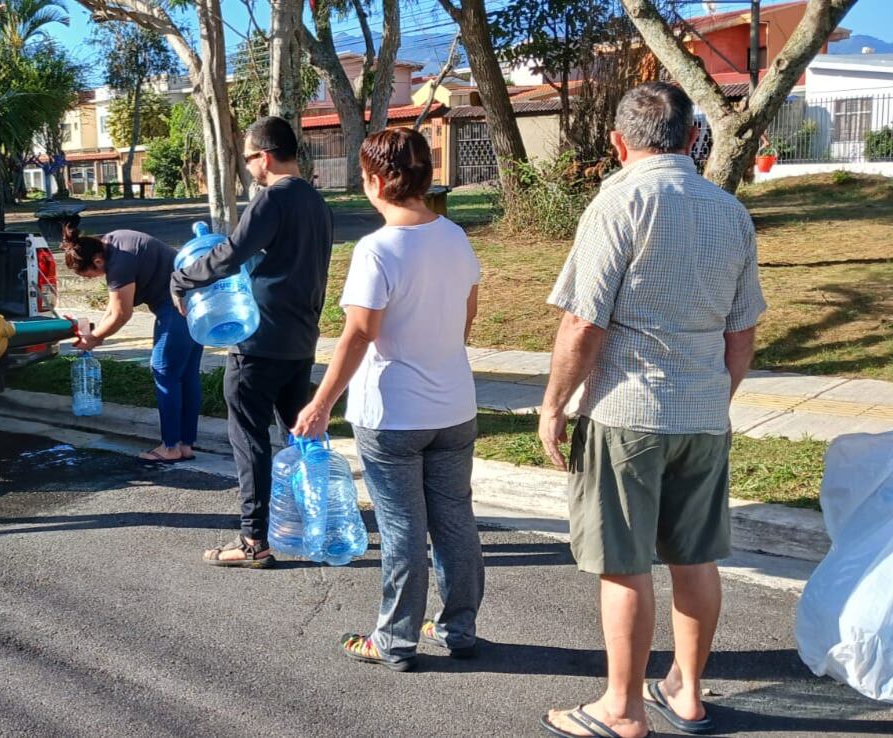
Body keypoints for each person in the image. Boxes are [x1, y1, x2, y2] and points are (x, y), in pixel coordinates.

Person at [537, 82, 765, 738]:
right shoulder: (730, 212)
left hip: (626, 410)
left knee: (624, 562)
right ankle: (687, 693)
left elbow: (583, 324)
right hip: (703, 413)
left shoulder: (618, 203)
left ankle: (622, 708)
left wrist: (553, 405)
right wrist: (716, 396)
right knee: (695, 558)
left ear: (618, 142)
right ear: (694, 138)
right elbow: (742, 330)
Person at [290, 128, 484, 672]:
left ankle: (394, 640)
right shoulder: (456, 237)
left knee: (403, 530)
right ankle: (458, 628)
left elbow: (359, 334)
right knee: (455, 520)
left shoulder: (376, 249)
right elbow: (466, 317)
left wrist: (320, 404)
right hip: (455, 406)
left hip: (393, 414)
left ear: (375, 180)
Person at [171, 116, 334, 568]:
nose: (247, 168)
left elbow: (228, 255)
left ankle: (253, 541)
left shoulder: (272, 199)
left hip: (258, 342)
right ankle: (314, 524)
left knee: (249, 440)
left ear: (264, 155)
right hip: (300, 340)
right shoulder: (318, 203)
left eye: (247, 159)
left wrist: (182, 278)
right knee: (301, 439)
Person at [65, 226, 202, 462]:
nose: (91, 279)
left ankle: (170, 447)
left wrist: (94, 339)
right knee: (187, 375)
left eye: (88, 275)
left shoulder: (119, 263)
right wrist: (96, 334)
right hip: (196, 303)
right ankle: (185, 445)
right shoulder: (116, 242)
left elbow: (122, 314)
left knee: (164, 371)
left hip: (175, 306)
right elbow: (113, 307)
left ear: (97, 262)